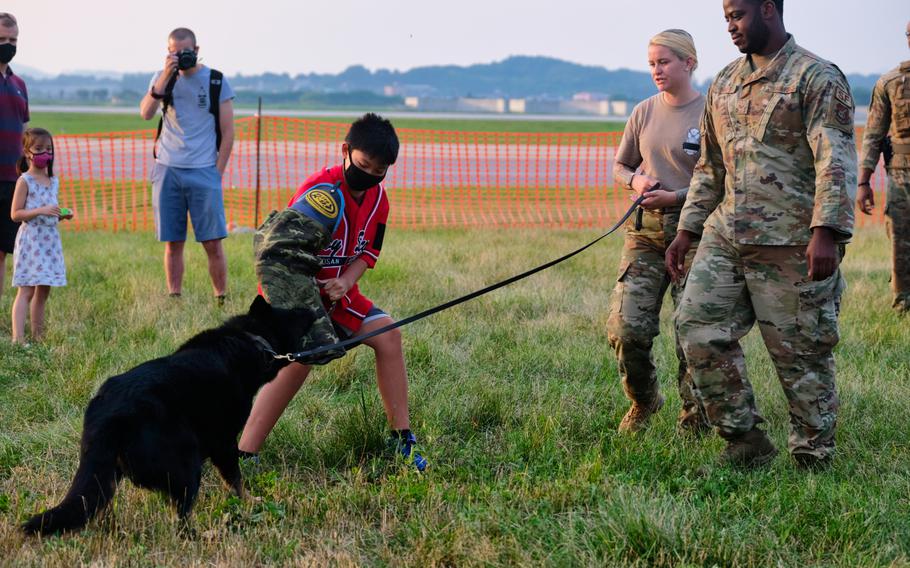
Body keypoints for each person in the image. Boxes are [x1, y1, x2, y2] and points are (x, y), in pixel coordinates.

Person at [665, 0, 856, 469]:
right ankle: (744, 436)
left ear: (769, 9)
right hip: (727, 234)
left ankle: (814, 454)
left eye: (739, 15)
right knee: (695, 327)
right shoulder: (725, 82)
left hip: (793, 242)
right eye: (726, 18)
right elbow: (709, 166)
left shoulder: (816, 77)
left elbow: (835, 159)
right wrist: (688, 230)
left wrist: (826, 231)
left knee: (801, 353)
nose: (730, 26)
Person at [239, 113, 427, 471]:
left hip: (340, 296)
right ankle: (246, 452)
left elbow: (369, 252)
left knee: (388, 336)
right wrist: (297, 312)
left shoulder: (378, 200)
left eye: (379, 171)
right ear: (345, 150)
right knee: (299, 362)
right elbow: (280, 256)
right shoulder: (320, 193)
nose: (369, 176)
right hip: (300, 297)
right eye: (363, 165)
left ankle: (401, 441)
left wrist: (346, 281)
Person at [608, 29, 709, 435]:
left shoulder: (710, 113)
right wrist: (635, 182)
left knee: (693, 331)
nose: (656, 70)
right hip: (645, 235)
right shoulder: (644, 112)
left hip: (695, 234)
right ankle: (645, 400)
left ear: (689, 63)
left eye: (664, 62)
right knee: (625, 327)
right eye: (651, 63)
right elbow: (620, 166)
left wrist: (676, 197)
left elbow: (719, 177)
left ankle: (695, 417)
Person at [139, 27, 234, 303]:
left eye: (185, 51)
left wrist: (217, 173)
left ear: (197, 50)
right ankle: (174, 297)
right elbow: (146, 113)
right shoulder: (161, 79)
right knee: (173, 242)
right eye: (174, 52)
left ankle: (220, 297)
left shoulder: (215, 80)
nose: (180, 56)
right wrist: (166, 75)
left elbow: (228, 132)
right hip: (168, 169)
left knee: (213, 242)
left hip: (204, 170)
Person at [857, 21, 910, 314]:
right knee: (900, 241)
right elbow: (874, 134)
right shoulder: (891, 82)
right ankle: (903, 305)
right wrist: (864, 182)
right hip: (903, 176)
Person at [10, 128, 72, 344]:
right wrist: (40, 210)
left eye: (48, 149)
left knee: (43, 291)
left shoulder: (53, 180)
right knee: (26, 290)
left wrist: (62, 214)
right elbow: (16, 214)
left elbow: (51, 211)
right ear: (27, 152)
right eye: (39, 149)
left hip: (50, 242)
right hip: (31, 242)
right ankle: (18, 339)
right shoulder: (24, 181)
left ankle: (38, 336)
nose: (45, 153)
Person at [0, 12, 28, 304]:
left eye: (13, 40)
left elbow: (24, 129)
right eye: (2, 39)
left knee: (3, 250)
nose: (8, 45)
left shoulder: (20, 82)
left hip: (12, 179)